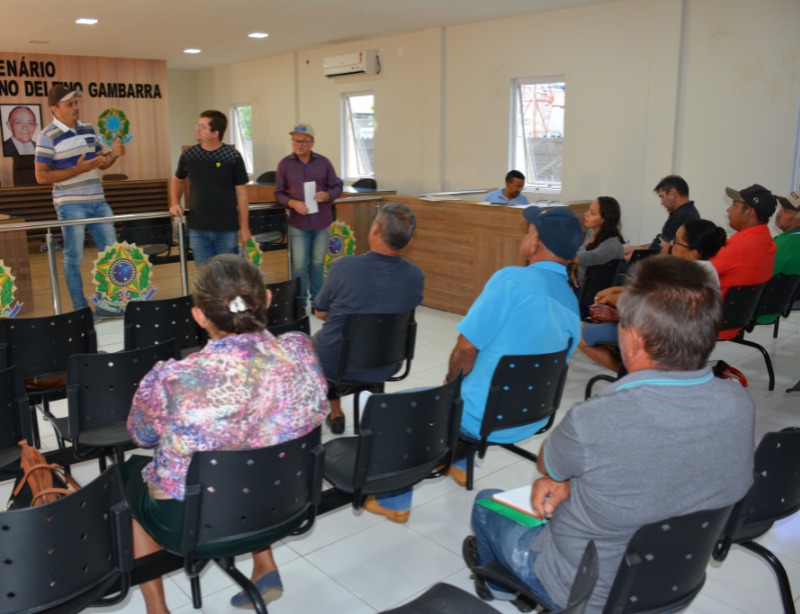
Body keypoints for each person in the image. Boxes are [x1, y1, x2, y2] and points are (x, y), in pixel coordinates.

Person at [466, 256, 755, 613]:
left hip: (585, 590)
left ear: (634, 338)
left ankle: (505, 589)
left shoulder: (597, 418)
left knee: (488, 504)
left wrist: (561, 480)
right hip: (674, 579)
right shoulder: (738, 402)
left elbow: (548, 464)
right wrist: (573, 484)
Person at [124, 255, 328, 614]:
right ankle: (265, 564)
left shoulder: (172, 380)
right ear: (267, 299)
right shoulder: (300, 350)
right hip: (286, 502)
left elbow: (141, 436)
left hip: (196, 523)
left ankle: (157, 609)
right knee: (256, 445)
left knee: (126, 478)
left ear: (199, 316)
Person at [363, 206, 582, 524]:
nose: (526, 236)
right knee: (473, 388)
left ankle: (394, 501)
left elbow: (465, 348)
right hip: (531, 416)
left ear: (536, 243)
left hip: (481, 416)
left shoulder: (511, 280)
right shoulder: (571, 302)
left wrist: (448, 383)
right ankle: (460, 464)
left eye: (529, 231)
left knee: (403, 406)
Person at [312, 202, 423, 434]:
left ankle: (336, 413)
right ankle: (374, 411)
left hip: (338, 363)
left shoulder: (343, 267)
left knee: (320, 343)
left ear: (374, 230)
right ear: (409, 241)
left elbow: (319, 312)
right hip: (388, 362)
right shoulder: (415, 276)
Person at [579, 218, 726, 372]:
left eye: (677, 242)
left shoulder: (686, 276)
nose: (671, 245)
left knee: (582, 336)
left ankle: (634, 374)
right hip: (689, 340)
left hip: (664, 339)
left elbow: (647, 305)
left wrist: (612, 298)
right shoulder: (706, 270)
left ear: (693, 252)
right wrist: (616, 290)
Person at [34, 84, 126, 319]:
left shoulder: (87, 128)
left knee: (112, 255)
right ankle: (80, 310)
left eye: (76, 103)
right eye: (69, 104)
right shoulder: (46, 136)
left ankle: (108, 305)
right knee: (74, 257)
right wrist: (78, 169)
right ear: (54, 108)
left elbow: (101, 163)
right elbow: (41, 176)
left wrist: (114, 154)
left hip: (98, 201)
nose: (76, 107)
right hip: (70, 204)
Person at [170, 110, 251, 268]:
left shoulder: (232, 156)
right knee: (204, 275)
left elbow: (242, 194)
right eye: (198, 125)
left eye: (202, 127)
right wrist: (175, 202)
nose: (197, 129)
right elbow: (178, 180)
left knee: (228, 274)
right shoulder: (189, 155)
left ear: (215, 133)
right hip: (198, 228)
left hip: (226, 228)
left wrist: (244, 227)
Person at [274, 123, 343, 306]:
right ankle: (300, 303)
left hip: (322, 220)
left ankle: (318, 302)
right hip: (298, 222)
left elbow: (337, 187)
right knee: (299, 265)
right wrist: (292, 203)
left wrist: (328, 195)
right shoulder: (284, 164)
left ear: (312, 142)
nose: (299, 145)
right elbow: (278, 193)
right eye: (295, 141)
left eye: (303, 142)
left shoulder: (324, 162)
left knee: (317, 263)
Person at [710, 184, 777, 339]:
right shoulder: (767, 242)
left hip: (710, 321)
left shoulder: (738, 247)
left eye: (734, 205)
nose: (728, 210)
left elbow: (694, 274)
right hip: (734, 322)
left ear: (749, 213)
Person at [623, 175, 699, 261]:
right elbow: (660, 244)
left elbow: (664, 253)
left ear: (672, 193)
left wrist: (637, 258)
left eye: (662, 197)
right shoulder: (682, 213)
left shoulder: (682, 216)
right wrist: (638, 249)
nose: (661, 202)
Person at [570, 196, 624, 288]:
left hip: (591, 290)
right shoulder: (592, 231)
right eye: (588, 210)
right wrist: (574, 269)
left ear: (605, 219)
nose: (586, 214)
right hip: (579, 282)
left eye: (592, 213)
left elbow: (592, 257)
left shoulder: (611, 244)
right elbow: (581, 251)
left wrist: (572, 259)